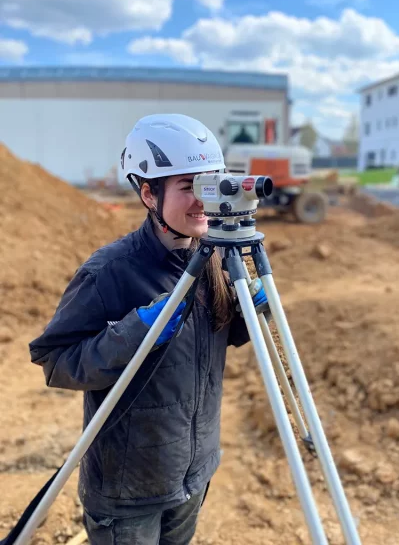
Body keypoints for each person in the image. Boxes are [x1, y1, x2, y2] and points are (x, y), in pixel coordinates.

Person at [29, 114, 268, 545]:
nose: (203, 199)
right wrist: (134, 331)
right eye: (188, 186)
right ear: (147, 193)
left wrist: (248, 313)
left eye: (211, 183)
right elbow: (56, 363)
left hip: (192, 474)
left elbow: (220, 337)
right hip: (127, 491)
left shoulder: (213, 258)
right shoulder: (110, 272)